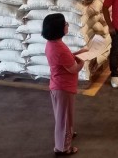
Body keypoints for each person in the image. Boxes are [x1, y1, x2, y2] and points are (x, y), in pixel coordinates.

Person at [42, 13, 86, 156]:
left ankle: (67, 135)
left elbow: (66, 59)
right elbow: (73, 68)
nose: (67, 25)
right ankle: (62, 147)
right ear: (58, 28)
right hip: (64, 87)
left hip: (58, 85)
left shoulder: (53, 43)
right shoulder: (59, 48)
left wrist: (79, 53)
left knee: (63, 116)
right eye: (65, 23)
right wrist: (83, 61)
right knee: (64, 118)